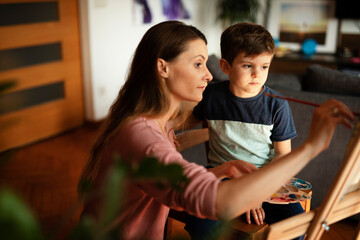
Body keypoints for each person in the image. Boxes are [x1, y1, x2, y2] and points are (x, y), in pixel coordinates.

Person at [78, 20, 355, 240]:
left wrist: (222, 169)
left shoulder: (156, 125)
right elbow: (218, 202)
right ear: (163, 68)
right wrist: (312, 146)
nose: (209, 75)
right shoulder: (144, 136)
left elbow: (173, 157)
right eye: (199, 63)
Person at [183, 22, 301, 239]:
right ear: (226, 67)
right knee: (200, 223)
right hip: (222, 178)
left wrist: (254, 192)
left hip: (266, 182)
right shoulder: (210, 96)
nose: (257, 74)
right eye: (248, 66)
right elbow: (181, 122)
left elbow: (283, 156)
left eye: (264, 66)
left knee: (295, 225)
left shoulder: (277, 105)